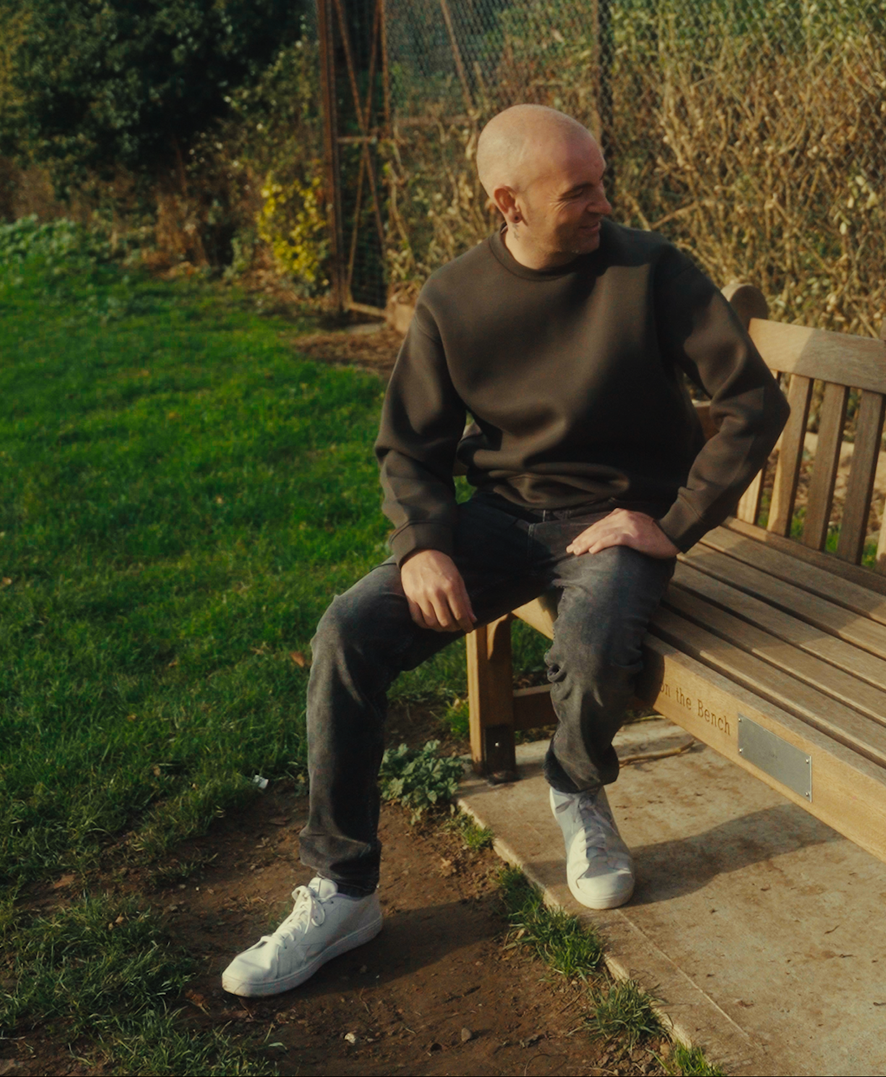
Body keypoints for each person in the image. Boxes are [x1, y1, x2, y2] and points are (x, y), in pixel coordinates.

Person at [222, 104, 788, 999]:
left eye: (602, 179)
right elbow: (410, 447)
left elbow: (754, 403)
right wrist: (421, 545)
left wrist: (669, 523)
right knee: (348, 632)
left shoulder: (654, 273)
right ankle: (343, 887)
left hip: (616, 520)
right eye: (581, 190)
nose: (606, 200)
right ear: (507, 203)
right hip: (502, 516)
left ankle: (573, 784)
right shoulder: (455, 298)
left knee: (598, 644)